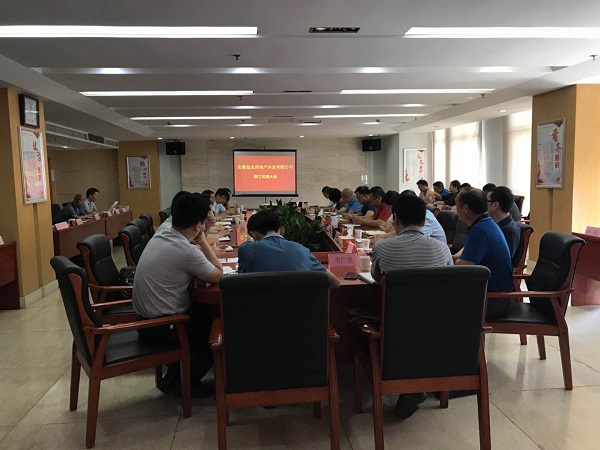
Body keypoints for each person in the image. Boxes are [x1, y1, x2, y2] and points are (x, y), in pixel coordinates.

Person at [370, 194, 453, 420]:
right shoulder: (442, 249)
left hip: (396, 325)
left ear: (395, 219)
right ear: (424, 221)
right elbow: (449, 280)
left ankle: (403, 384)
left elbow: (377, 277)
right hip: (436, 322)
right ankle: (416, 387)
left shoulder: (382, 247)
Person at [133, 193, 223, 397]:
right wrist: (203, 242)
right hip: (162, 327)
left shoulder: (163, 233)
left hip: (146, 321)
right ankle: (187, 383)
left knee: (204, 311)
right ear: (199, 225)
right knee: (217, 325)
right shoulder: (185, 250)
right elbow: (218, 275)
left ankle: (174, 378)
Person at [238, 209, 340, 288]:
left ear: (253, 234)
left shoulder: (246, 249)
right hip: (300, 308)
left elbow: (241, 283)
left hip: (261, 308)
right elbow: (335, 283)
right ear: (282, 230)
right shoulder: (302, 250)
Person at [454, 188, 513, 319]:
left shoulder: (479, 230)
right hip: (490, 293)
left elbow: (463, 267)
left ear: (465, 208)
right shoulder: (485, 223)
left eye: (456, 205)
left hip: (492, 300)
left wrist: (450, 260)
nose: (455, 209)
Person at [380, 190, 446, 243]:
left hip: (433, 251)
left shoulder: (424, 216)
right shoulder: (405, 213)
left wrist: (387, 235)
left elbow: (414, 239)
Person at [487, 186, 521, 258]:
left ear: (495, 205)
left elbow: (501, 259)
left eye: (486, 201)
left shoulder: (510, 231)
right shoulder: (492, 224)